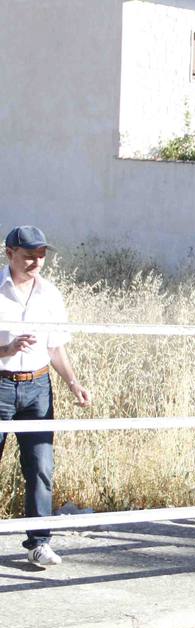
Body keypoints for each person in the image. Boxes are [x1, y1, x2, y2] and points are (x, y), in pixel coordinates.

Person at [0, 226, 92, 568]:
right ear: (9, 253)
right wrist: (6, 349)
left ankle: (39, 543)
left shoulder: (51, 294)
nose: (36, 262)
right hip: (1, 383)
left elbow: (56, 345)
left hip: (38, 386)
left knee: (41, 465)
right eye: (28, 256)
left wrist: (72, 382)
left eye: (41, 256)